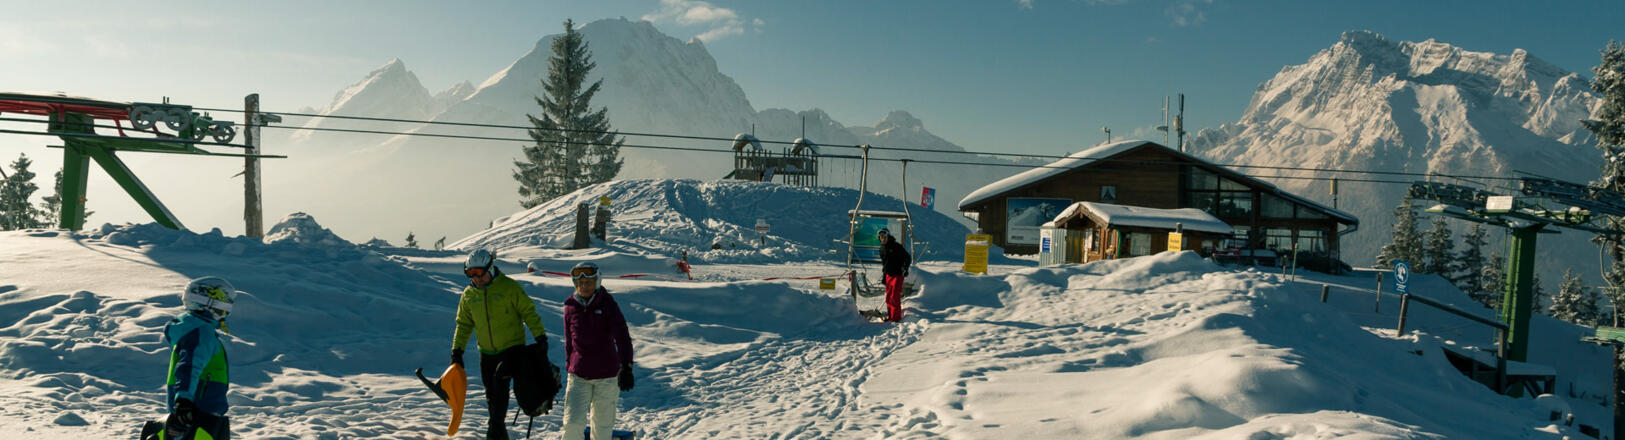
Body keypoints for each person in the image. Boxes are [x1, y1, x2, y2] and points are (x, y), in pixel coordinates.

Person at [451, 249, 547, 440]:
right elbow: (463, 324)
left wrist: (540, 337)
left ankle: (493, 430)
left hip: (512, 349)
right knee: (492, 397)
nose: (477, 278)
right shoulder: (469, 295)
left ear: (490, 268)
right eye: (471, 274)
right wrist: (457, 350)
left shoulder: (509, 288)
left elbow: (528, 312)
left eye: (480, 273)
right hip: (486, 353)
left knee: (500, 387)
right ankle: (498, 432)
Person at [158, 276, 239, 440]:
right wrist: (184, 401)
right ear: (208, 304)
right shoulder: (202, 333)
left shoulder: (195, 330)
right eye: (223, 304)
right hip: (197, 412)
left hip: (197, 412)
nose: (225, 311)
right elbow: (189, 366)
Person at [561, 262, 635, 440]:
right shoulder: (570, 307)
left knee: (602, 428)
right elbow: (569, 342)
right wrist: (569, 366)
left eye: (588, 283)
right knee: (572, 424)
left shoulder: (608, 304)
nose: (584, 286)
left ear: (597, 282)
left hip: (607, 376)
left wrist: (626, 366)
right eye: (580, 283)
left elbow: (622, 336)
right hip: (578, 376)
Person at [878, 228, 912, 322]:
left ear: (888, 236)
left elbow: (907, 258)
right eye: (881, 237)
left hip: (897, 274)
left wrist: (905, 269)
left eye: (885, 237)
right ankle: (890, 316)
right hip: (888, 275)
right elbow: (885, 264)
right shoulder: (882, 249)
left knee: (894, 296)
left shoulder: (896, 246)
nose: (883, 239)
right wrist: (884, 276)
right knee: (888, 297)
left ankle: (896, 318)